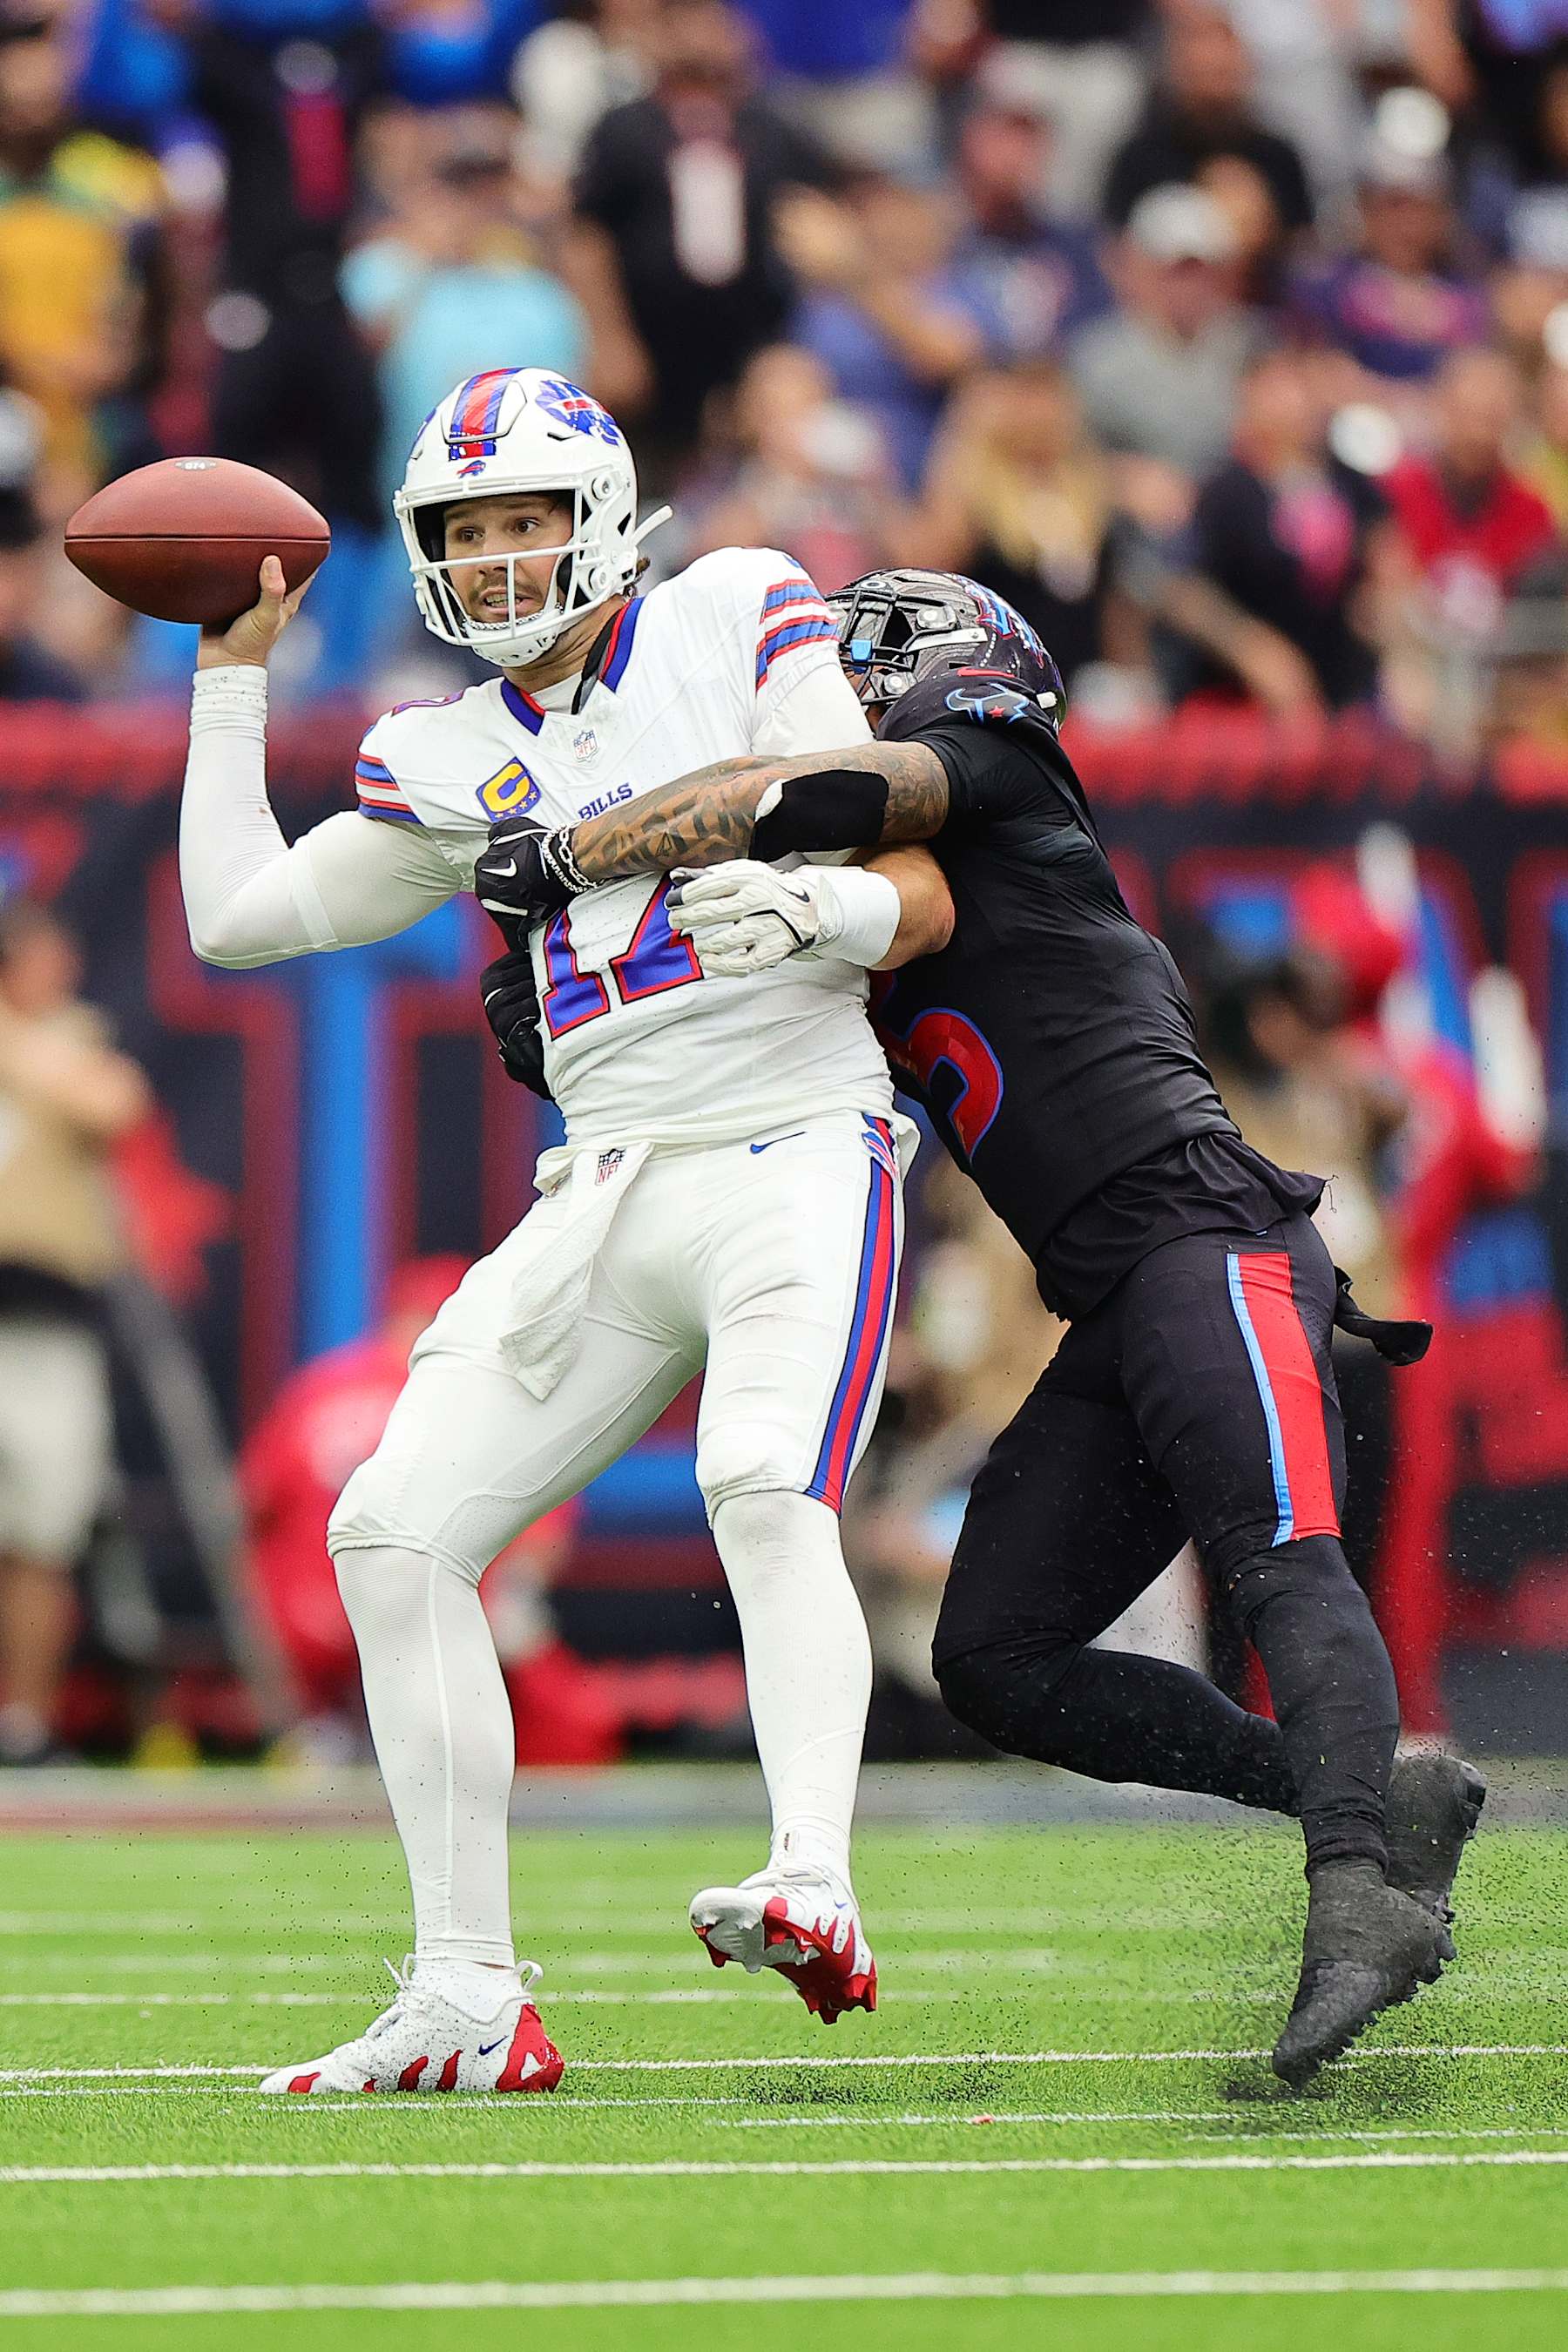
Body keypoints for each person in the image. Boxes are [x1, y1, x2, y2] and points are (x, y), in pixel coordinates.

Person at [479, 570, 1486, 2091]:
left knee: (1283, 1558)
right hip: (1112, 1299)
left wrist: (569, 854)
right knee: (998, 1655)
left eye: (857, 661)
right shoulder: (873, 909)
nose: (830, 684)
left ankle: (1362, 1903)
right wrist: (567, 999)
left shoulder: (998, 780)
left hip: (1210, 1237)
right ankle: (1360, 1803)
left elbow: (820, 788)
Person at [177, 364, 953, 2093]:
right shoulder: (442, 750)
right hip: (603, 1182)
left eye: (527, 516)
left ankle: (813, 1878)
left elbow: (891, 831)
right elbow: (238, 917)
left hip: (790, 1131)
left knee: (761, 1476)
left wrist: (806, 901)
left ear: (599, 508)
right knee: (389, 1529)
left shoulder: (734, 608)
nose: (500, 557)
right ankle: (466, 1994)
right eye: (465, 531)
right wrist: (231, 683)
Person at [0, 896, 150, 1765]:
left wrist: (26, 1045)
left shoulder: (68, 1043)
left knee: (42, 1533)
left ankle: (21, 1725)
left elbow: (114, 1106)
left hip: (49, 1319)